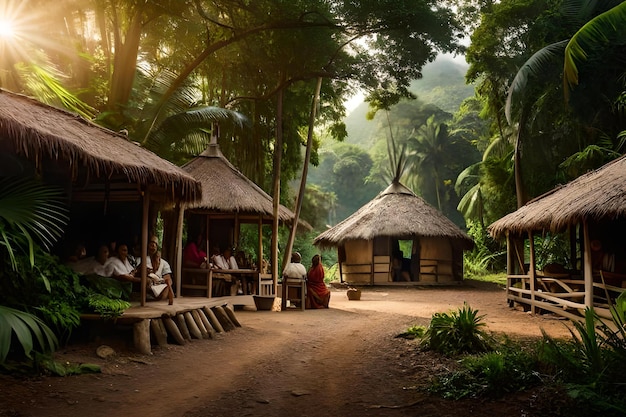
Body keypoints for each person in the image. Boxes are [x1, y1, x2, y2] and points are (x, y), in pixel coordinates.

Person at [138, 236, 174, 304]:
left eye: (155, 245)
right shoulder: (141, 260)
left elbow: (168, 277)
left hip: (160, 284)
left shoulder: (164, 263)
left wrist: (165, 282)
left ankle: (161, 303)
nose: (153, 246)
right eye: (151, 244)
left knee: (167, 286)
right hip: (147, 284)